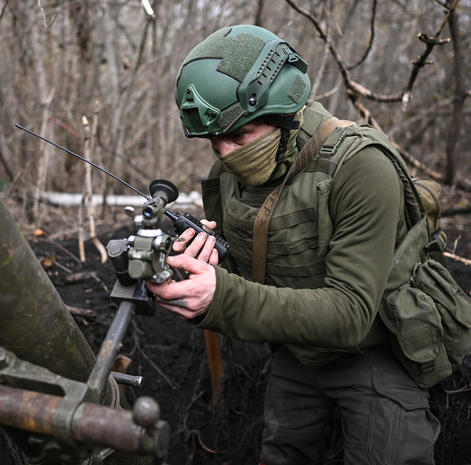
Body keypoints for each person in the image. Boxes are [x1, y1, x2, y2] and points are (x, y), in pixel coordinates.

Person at [146, 25, 441, 464]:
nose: (225, 153)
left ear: (284, 112)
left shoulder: (361, 168)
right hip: (295, 350)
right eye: (213, 142)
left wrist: (220, 295)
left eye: (239, 136)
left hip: (378, 349)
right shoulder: (228, 176)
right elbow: (250, 280)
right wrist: (206, 269)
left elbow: (350, 315)